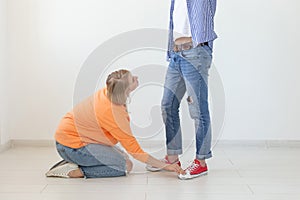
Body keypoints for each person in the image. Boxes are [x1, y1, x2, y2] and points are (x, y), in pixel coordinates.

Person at [46, 69, 184, 178]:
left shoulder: (109, 91)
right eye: (132, 80)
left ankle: (74, 162)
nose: (136, 78)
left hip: (71, 141)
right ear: (125, 90)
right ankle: (76, 171)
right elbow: (135, 151)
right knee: (125, 166)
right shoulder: (112, 112)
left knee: (122, 156)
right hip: (71, 146)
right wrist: (166, 166)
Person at [146, 0, 217, 180]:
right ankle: (172, 158)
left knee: (198, 109)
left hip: (195, 53)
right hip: (176, 54)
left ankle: (201, 162)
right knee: (167, 105)